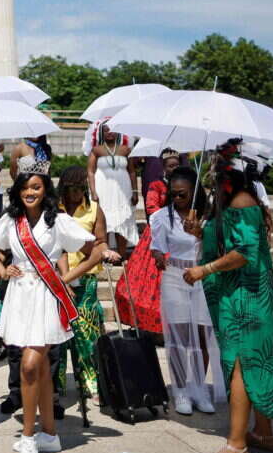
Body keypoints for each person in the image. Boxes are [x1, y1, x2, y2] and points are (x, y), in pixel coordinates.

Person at [0, 163, 96, 453]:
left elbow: (95, 250)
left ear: (46, 189)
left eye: (35, 186)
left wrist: (66, 277)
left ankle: (29, 436)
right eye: (25, 187)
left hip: (47, 296)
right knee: (42, 369)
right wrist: (1, 268)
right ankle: (50, 434)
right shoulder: (11, 219)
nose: (30, 192)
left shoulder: (58, 220)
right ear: (18, 191)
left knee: (31, 365)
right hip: (21, 294)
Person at [183, 159, 273, 453]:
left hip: (248, 298)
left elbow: (245, 252)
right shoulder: (229, 202)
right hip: (237, 296)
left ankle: (237, 446)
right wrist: (199, 233)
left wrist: (204, 269)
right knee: (253, 362)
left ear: (233, 176)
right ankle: (263, 433)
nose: (212, 175)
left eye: (218, 171)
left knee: (241, 364)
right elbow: (229, 242)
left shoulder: (241, 200)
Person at [149, 166, 222, 416]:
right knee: (179, 337)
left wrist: (199, 231)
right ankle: (180, 389)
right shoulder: (161, 216)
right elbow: (156, 246)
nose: (177, 198)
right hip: (175, 276)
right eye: (174, 194)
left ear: (194, 193)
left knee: (202, 336)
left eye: (183, 194)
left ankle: (199, 388)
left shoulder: (209, 215)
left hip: (203, 276)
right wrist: (158, 255)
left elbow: (216, 247)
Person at [54, 166, 119, 402]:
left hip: (86, 276)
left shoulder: (94, 210)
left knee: (87, 332)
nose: (77, 193)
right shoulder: (53, 209)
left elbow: (100, 242)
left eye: (81, 188)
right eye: (72, 188)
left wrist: (104, 251)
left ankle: (91, 382)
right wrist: (65, 279)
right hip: (56, 278)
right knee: (58, 333)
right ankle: (56, 384)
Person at [115, 149, 182, 333]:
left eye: (176, 165)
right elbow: (151, 207)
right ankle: (153, 328)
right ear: (164, 167)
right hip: (159, 235)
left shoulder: (185, 185)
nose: (174, 168)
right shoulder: (156, 185)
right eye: (170, 165)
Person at [87, 121, 138, 257]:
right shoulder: (96, 150)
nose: (109, 132)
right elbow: (90, 172)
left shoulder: (126, 149)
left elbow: (132, 172)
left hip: (123, 189)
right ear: (102, 133)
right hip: (103, 189)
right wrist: (93, 191)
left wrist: (135, 191)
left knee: (122, 220)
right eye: (106, 130)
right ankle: (106, 255)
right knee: (104, 221)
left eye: (112, 129)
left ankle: (121, 256)